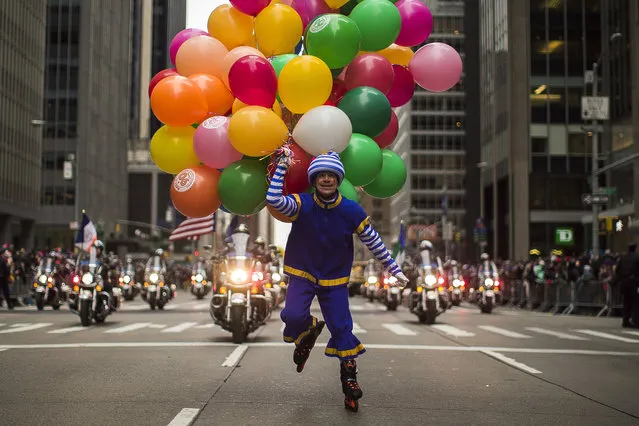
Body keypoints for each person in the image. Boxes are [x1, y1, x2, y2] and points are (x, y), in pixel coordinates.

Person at [266, 150, 408, 410]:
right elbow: (273, 199)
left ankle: (349, 378)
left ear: (338, 179)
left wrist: (393, 268)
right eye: (321, 175)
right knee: (293, 315)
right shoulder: (301, 204)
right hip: (303, 272)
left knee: (342, 328)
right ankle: (308, 332)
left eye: (332, 175)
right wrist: (283, 165)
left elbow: (373, 241)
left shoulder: (351, 210)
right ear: (314, 179)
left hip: (334, 278)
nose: (327, 180)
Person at [614, 242, 639, 328]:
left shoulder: (622, 257)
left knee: (626, 302)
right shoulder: (637, 257)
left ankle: (625, 321)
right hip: (634, 282)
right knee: (635, 302)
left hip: (624, 282)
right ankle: (636, 321)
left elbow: (617, 270)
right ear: (635, 248)